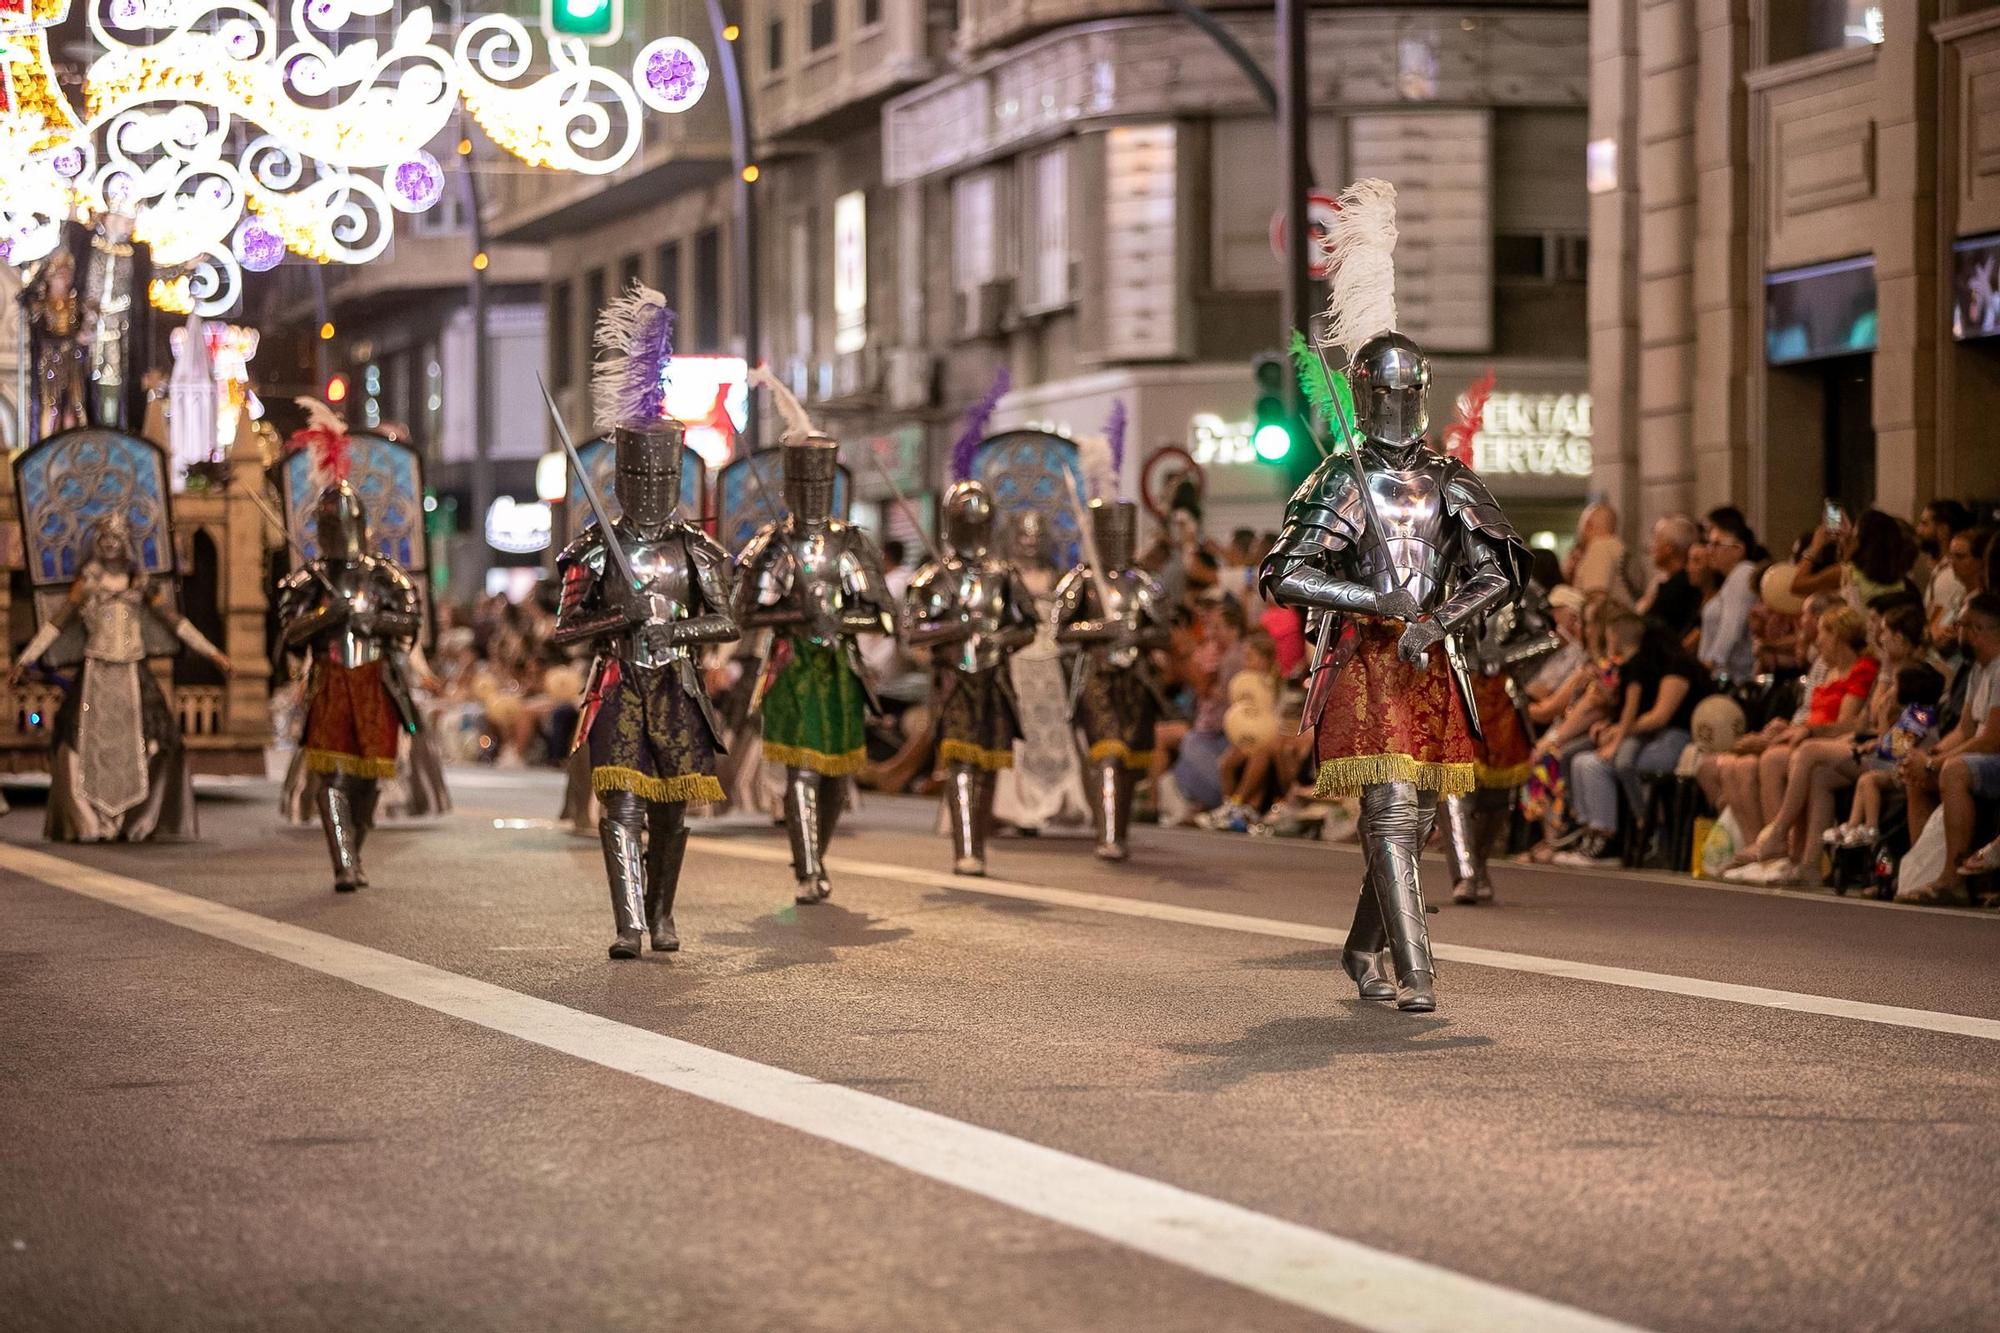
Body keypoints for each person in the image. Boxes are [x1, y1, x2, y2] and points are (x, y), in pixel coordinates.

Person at [1261, 248, 1529, 1011]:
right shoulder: (1342, 476)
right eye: (1388, 391)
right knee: (1391, 811)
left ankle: (1359, 947)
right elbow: (1285, 572)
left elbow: (1500, 569)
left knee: (1420, 820)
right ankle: (1419, 971)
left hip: (1429, 656)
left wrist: (1438, 617)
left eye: (1410, 391)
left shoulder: (1449, 477)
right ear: (1365, 392)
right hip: (1365, 659)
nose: (1399, 404)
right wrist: (1375, 601)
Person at [553, 285, 739, 957]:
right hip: (616, 684)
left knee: (671, 809)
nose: (654, 490)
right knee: (621, 806)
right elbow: (562, 629)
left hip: (677, 685)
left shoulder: (696, 548)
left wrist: (671, 630)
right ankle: (629, 922)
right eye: (644, 479)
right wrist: (611, 618)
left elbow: (726, 622)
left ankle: (661, 913)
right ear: (625, 478)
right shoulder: (593, 547)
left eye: (665, 479)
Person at [734, 428, 897, 904]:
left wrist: (844, 617)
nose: (811, 495)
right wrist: (797, 614)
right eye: (802, 487)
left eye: (819, 487)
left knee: (836, 777)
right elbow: (744, 613)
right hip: (792, 665)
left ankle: (816, 856)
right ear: (788, 488)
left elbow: (885, 614)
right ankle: (807, 868)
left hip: (840, 666)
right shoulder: (772, 545)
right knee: (803, 770)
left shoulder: (851, 542)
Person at [10, 513, 232, 842]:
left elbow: (175, 622)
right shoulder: (86, 582)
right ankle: (90, 821)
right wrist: (26, 657)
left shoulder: (142, 584)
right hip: (95, 673)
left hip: (132, 670)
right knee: (77, 746)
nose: (111, 543)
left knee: (158, 743)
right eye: (105, 537)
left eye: (117, 537)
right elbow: (56, 624)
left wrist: (214, 652)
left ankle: (136, 821)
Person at [277, 483, 424, 892]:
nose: (336, 529)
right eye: (327, 522)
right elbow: (290, 633)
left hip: (376, 680)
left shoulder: (386, 575)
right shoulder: (306, 579)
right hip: (330, 679)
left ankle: (353, 853)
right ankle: (343, 862)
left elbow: (411, 619)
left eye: (340, 520)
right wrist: (327, 615)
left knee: (368, 780)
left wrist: (372, 622)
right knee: (334, 776)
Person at [903, 480, 1038, 876]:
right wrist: (953, 630)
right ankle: (965, 849)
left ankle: (979, 843)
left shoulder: (1004, 574)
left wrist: (999, 637)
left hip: (995, 677)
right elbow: (912, 630)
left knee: (989, 764)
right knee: (961, 761)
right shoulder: (931, 577)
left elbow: (1028, 625)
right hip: (953, 680)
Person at [1723, 605, 1879, 881]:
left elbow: (1856, 724)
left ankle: (1778, 836)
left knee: (1789, 756)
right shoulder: (1834, 671)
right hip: (1835, 740)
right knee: (1814, 773)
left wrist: (1805, 732)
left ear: (1838, 635)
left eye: (1822, 634)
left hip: (1858, 746)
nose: (1817, 641)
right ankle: (1806, 864)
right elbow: (1848, 721)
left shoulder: (1868, 670)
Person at [1053, 498, 1171, 859]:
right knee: (1108, 753)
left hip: (1134, 679)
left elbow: (1163, 633)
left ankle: (1118, 830)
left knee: (1131, 760)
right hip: (1096, 675)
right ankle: (1107, 837)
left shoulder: (1143, 582)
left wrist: (1137, 634)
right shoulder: (1082, 580)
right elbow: (1061, 629)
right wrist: (1099, 627)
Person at [1441, 580, 1561, 900]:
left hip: (1504, 699)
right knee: (1455, 786)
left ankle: (1479, 862)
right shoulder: (1447, 580)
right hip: (1457, 691)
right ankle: (1464, 872)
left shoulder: (1522, 587)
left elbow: (1549, 639)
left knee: (1497, 798)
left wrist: (1505, 656)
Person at [1556, 616, 1709, 865]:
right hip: (1648, 737)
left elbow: (1659, 717)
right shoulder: (1645, 670)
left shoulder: (1678, 668)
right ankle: (1595, 832)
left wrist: (1619, 732)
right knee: (1586, 761)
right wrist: (1614, 727)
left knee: (1618, 762)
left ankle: (1645, 830)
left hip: (1675, 738)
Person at [991, 510, 1091, 835]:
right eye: (1023, 536)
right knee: (1018, 729)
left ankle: (1060, 802)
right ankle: (1016, 806)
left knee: (1055, 732)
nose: (1029, 543)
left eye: (1035, 536)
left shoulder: (1057, 576)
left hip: (1049, 666)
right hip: (1018, 661)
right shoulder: (1004, 575)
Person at [1899, 592, 2000, 904]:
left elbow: (1991, 739)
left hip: (1992, 757)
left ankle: (1951, 879)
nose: (1957, 632)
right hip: (1977, 753)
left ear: (1977, 629)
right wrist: (1927, 757)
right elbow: (1964, 729)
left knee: (1953, 771)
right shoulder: (1978, 670)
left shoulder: (1999, 668)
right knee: (1915, 775)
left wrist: (1937, 763)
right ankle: (1922, 874)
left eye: (1961, 625)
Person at [1825, 663, 1944, 851]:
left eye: (1894, 686)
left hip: (1908, 771)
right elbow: (1892, 740)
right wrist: (1873, 744)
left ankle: (1871, 827)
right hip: (1898, 765)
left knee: (1869, 780)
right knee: (1864, 779)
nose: (1890, 691)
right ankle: (1853, 825)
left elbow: (1893, 750)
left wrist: (1882, 717)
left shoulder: (1921, 716)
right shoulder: (1911, 713)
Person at [1698, 513, 1760, 684]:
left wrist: (1709, 665)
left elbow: (1731, 627)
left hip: (1730, 678)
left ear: (1738, 549)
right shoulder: (1731, 579)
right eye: (1709, 543)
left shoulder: (1743, 573)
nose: (1710, 550)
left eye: (1716, 544)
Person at [1636, 514, 1703, 641]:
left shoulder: (1678, 588)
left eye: (1656, 540)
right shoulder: (1669, 582)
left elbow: (1644, 629)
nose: (1651, 547)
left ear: (1669, 548)